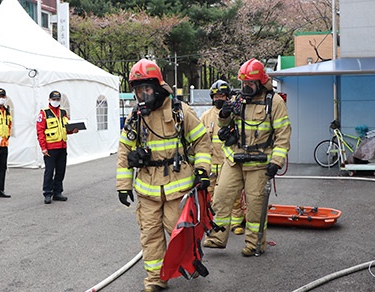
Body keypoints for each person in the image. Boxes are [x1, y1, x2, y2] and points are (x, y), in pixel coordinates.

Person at [116, 59, 211, 292]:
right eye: (138, 90)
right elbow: (124, 151)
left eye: (146, 89)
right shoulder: (136, 117)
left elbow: (201, 141)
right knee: (150, 235)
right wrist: (123, 185)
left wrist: (202, 171)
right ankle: (156, 279)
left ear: (157, 87)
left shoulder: (180, 111)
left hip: (178, 188)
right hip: (148, 189)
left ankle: (191, 261)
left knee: (178, 232)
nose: (142, 95)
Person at [203, 58, 291, 257]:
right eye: (243, 83)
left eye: (250, 83)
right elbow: (224, 127)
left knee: (255, 207)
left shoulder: (274, 102)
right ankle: (217, 238)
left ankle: (255, 243)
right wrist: (224, 116)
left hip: (259, 164)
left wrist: (276, 162)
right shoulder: (237, 100)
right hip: (233, 160)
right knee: (221, 199)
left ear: (260, 82)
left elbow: (283, 134)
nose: (246, 87)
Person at [200, 80, 245, 236]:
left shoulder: (234, 114)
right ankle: (215, 223)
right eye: (216, 96)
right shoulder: (206, 116)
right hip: (212, 164)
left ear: (228, 97)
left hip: (229, 162)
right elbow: (200, 142)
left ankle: (236, 222)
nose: (219, 99)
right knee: (211, 196)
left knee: (235, 195)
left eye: (222, 96)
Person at [36, 90, 79, 204]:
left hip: (62, 146)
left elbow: (65, 129)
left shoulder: (63, 113)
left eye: (57, 99)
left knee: (61, 171)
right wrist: (43, 148)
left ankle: (57, 192)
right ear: (49, 100)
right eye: (54, 99)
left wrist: (73, 131)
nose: (56, 101)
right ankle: (47, 193)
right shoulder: (44, 113)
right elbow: (40, 131)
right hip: (50, 147)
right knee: (49, 171)